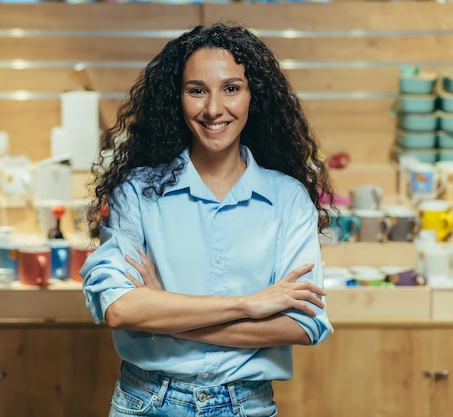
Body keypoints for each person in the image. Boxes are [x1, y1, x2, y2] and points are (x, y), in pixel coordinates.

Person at [80, 21, 336, 417]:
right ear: (176, 99)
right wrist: (250, 305)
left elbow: (303, 325)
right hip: (148, 403)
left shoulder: (288, 199)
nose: (214, 109)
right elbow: (121, 310)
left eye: (231, 89)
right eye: (196, 90)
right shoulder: (137, 192)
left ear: (255, 97)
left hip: (245, 405)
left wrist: (164, 314)